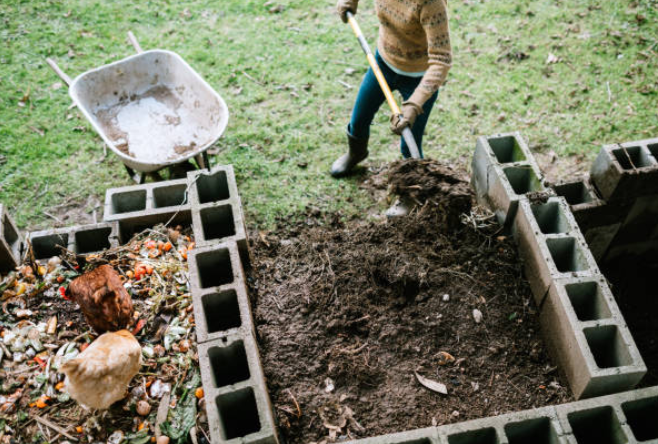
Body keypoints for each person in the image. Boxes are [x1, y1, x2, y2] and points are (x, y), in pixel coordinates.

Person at [332, 0, 452, 216]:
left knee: (410, 144)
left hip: (418, 78)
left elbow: (442, 60)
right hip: (383, 63)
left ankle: (409, 193)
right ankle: (356, 153)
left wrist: (415, 104)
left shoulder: (431, 4)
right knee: (359, 118)